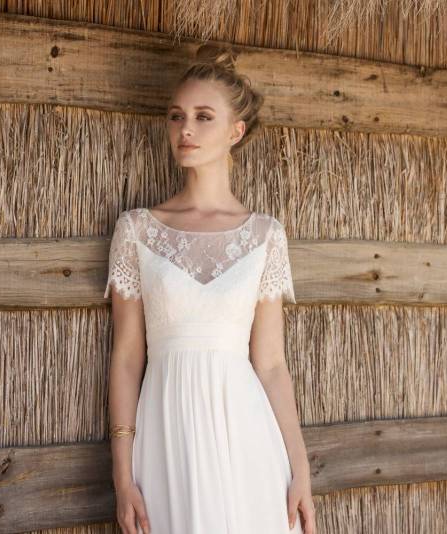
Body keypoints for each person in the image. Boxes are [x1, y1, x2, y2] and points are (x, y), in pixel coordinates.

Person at [105, 49, 316, 534]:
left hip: (248, 440)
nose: (186, 130)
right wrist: (123, 477)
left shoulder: (265, 235)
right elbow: (126, 359)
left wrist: (300, 470)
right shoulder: (138, 230)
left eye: (203, 117)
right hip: (165, 436)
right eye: (177, 116)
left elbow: (271, 364)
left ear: (235, 132)